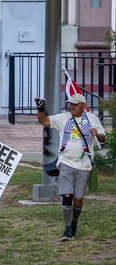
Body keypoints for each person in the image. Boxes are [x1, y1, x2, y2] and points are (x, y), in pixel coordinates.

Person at [36, 92, 108, 240]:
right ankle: (67, 228)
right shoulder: (63, 118)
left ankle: (74, 222)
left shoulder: (92, 119)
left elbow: (103, 139)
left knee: (78, 199)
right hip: (66, 162)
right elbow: (44, 121)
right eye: (70, 104)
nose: (72, 107)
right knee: (67, 194)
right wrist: (41, 109)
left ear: (83, 106)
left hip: (84, 164)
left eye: (75, 104)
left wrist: (96, 134)